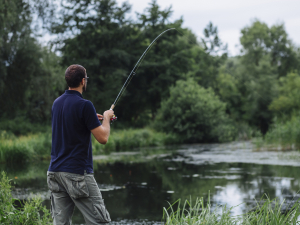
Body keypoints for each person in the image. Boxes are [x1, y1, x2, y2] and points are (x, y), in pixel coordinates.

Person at [47, 64, 114, 225]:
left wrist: (91, 118)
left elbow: (73, 123)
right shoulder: (85, 105)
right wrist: (106, 117)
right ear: (83, 81)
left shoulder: (57, 103)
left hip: (55, 173)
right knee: (100, 222)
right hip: (77, 173)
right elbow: (103, 138)